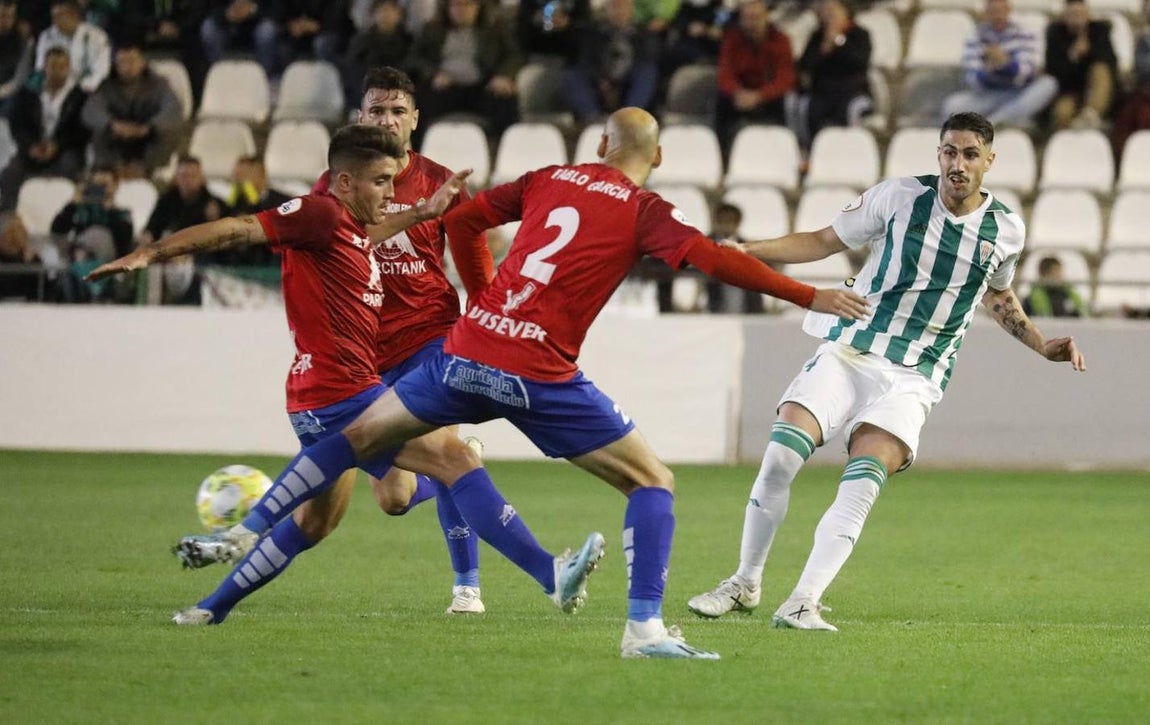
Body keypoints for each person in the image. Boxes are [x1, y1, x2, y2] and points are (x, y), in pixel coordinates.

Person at [160, 107, 871, 658]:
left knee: (358, 436)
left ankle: (245, 528)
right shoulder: (644, 209)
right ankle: (644, 626)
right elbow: (710, 260)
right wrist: (809, 296)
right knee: (652, 481)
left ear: (598, 144)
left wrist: (484, 292)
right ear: (655, 158)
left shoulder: (549, 177)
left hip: (467, 350)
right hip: (539, 371)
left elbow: (464, 221)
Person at [90, 124, 592, 629]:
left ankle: (210, 608)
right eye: (380, 183)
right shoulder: (318, 213)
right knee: (456, 461)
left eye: (395, 184)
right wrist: (153, 253)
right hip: (343, 393)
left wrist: (422, 213)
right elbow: (242, 227)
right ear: (345, 183)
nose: (392, 195)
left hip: (318, 398)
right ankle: (551, 575)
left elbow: (366, 234)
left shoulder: (346, 230)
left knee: (317, 522)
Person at [687, 112, 1087, 631]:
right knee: (782, 454)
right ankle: (744, 582)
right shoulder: (898, 197)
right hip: (852, 348)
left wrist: (1039, 344)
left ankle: (803, 600)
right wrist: (749, 250)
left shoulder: (1006, 229)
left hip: (916, 375)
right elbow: (822, 240)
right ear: (938, 153)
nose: (957, 164)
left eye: (969, 154)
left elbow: (996, 291)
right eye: (949, 151)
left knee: (862, 480)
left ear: (989, 160)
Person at [178, 67, 497, 616]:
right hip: (364, 357)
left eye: (398, 111)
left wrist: (487, 320)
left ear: (415, 120)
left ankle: (466, 587)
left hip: (430, 335)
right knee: (394, 498)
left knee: (446, 450)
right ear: (361, 117)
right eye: (377, 111)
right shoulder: (336, 188)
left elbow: (474, 258)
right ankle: (217, 599)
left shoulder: (442, 182)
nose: (388, 120)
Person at [405, 0, 522, 144]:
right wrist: (434, 74)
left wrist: (503, 76)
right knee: (417, 102)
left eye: (466, 5)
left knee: (506, 100)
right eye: (455, 5)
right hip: (445, 88)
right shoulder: (432, 29)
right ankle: (417, 153)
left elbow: (514, 55)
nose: (460, 10)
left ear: (478, 7)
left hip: (482, 87)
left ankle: (504, 151)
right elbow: (414, 58)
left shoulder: (494, 29)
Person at [940, 0, 1057, 127]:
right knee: (951, 106)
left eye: (1000, 10)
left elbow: (1028, 71)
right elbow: (971, 77)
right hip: (987, 95)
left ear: (1008, 10)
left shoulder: (1023, 34)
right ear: (986, 12)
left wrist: (1005, 64)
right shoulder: (974, 36)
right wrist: (988, 72)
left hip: (1018, 92)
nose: (998, 15)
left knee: (1048, 84)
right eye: (993, 11)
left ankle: (995, 122)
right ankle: (1009, 119)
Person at [0, 46, 88, 212]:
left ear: (69, 68)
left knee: (68, 167)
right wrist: (30, 145)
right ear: (44, 67)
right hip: (33, 148)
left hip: (66, 150)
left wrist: (58, 145)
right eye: (53, 66)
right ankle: (9, 214)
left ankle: (62, 213)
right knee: (10, 172)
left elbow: (82, 131)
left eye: (62, 66)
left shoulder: (79, 97)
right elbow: (17, 125)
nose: (58, 71)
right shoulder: (27, 94)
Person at [81, 41, 182, 179]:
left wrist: (148, 128)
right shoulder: (106, 86)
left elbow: (172, 108)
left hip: (148, 136)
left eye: (132, 61)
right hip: (117, 136)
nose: (128, 67)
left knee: (169, 133)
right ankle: (112, 171)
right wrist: (112, 125)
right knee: (99, 134)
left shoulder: (159, 84)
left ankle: (145, 170)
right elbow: (91, 110)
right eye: (123, 63)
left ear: (142, 62)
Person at [140, 155, 227, 304]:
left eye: (193, 176)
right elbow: (152, 229)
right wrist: (147, 238)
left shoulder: (214, 204)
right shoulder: (166, 202)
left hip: (197, 256)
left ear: (201, 178)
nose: (188, 180)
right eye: (184, 176)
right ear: (177, 178)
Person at [787, 0, 872, 153]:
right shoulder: (817, 37)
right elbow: (806, 65)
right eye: (826, 10)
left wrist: (838, 42)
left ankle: (851, 151)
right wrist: (824, 48)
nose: (829, 14)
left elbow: (858, 62)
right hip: (822, 92)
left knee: (851, 110)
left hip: (851, 91)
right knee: (806, 108)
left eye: (833, 10)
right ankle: (810, 150)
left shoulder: (859, 34)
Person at [714, 0, 794, 157]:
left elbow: (786, 78)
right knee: (721, 100)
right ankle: (723, 156)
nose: (752, 23)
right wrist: (737, 92)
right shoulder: (732, 40)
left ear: (766, 17)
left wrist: (761, 96)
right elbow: (725, 74)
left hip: (770, 96)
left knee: (788, 101)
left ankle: (786, 153)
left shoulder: (781, 40)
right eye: (748, 18)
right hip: (740, 95)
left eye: (756, 18)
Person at [561, 0, 660, 124]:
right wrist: (603, 80)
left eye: (624, 7)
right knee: (572, 76)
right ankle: (593, 120)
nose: (620, 12)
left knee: (648, 72)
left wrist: (616, 85)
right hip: (599, 84)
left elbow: (647, 59)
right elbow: (586, 60)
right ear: (607, 10)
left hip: (629, 85)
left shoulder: (644, 35)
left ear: (631, 10)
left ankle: (628, 120)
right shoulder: (593, 33)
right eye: (615, 7)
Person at [1045, 0, 1116, 131]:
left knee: (1100, 69)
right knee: (1062, 112)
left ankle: (1091, 114)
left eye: (1081, 14)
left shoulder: (1100, 31)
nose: (1078, 19)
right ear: (1064, 16)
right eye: (1073, 14)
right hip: (1069, 90)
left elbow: (1110, 62)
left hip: (1096, 88)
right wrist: (1073, 56)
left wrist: (1089, 51)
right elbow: (1054, 72)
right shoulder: (1055, 34)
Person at [34, 0, 111, 94]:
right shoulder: (46, 36)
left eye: (59, 16)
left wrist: (78, 90)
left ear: (75, 16)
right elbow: (40, 68)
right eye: (53, 17)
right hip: (53, 90)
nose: (55, 22)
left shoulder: (98, 37)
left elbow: (101, 72)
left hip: (86, 91)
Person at [705, 202, 765, 314]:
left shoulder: (750, 248)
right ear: (715, 221)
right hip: (713, 307)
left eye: (730, 221)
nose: (726, 225)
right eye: (722, 221)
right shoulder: (703, 245)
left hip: (745, 307)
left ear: (738, 223)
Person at [0, 0, 33, 115]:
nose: (5, 21)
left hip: (10, 92)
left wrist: (2, 91)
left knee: (18, 101)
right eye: (2, 16)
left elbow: (20, 76)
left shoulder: (22, 41)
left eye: (10, 17)